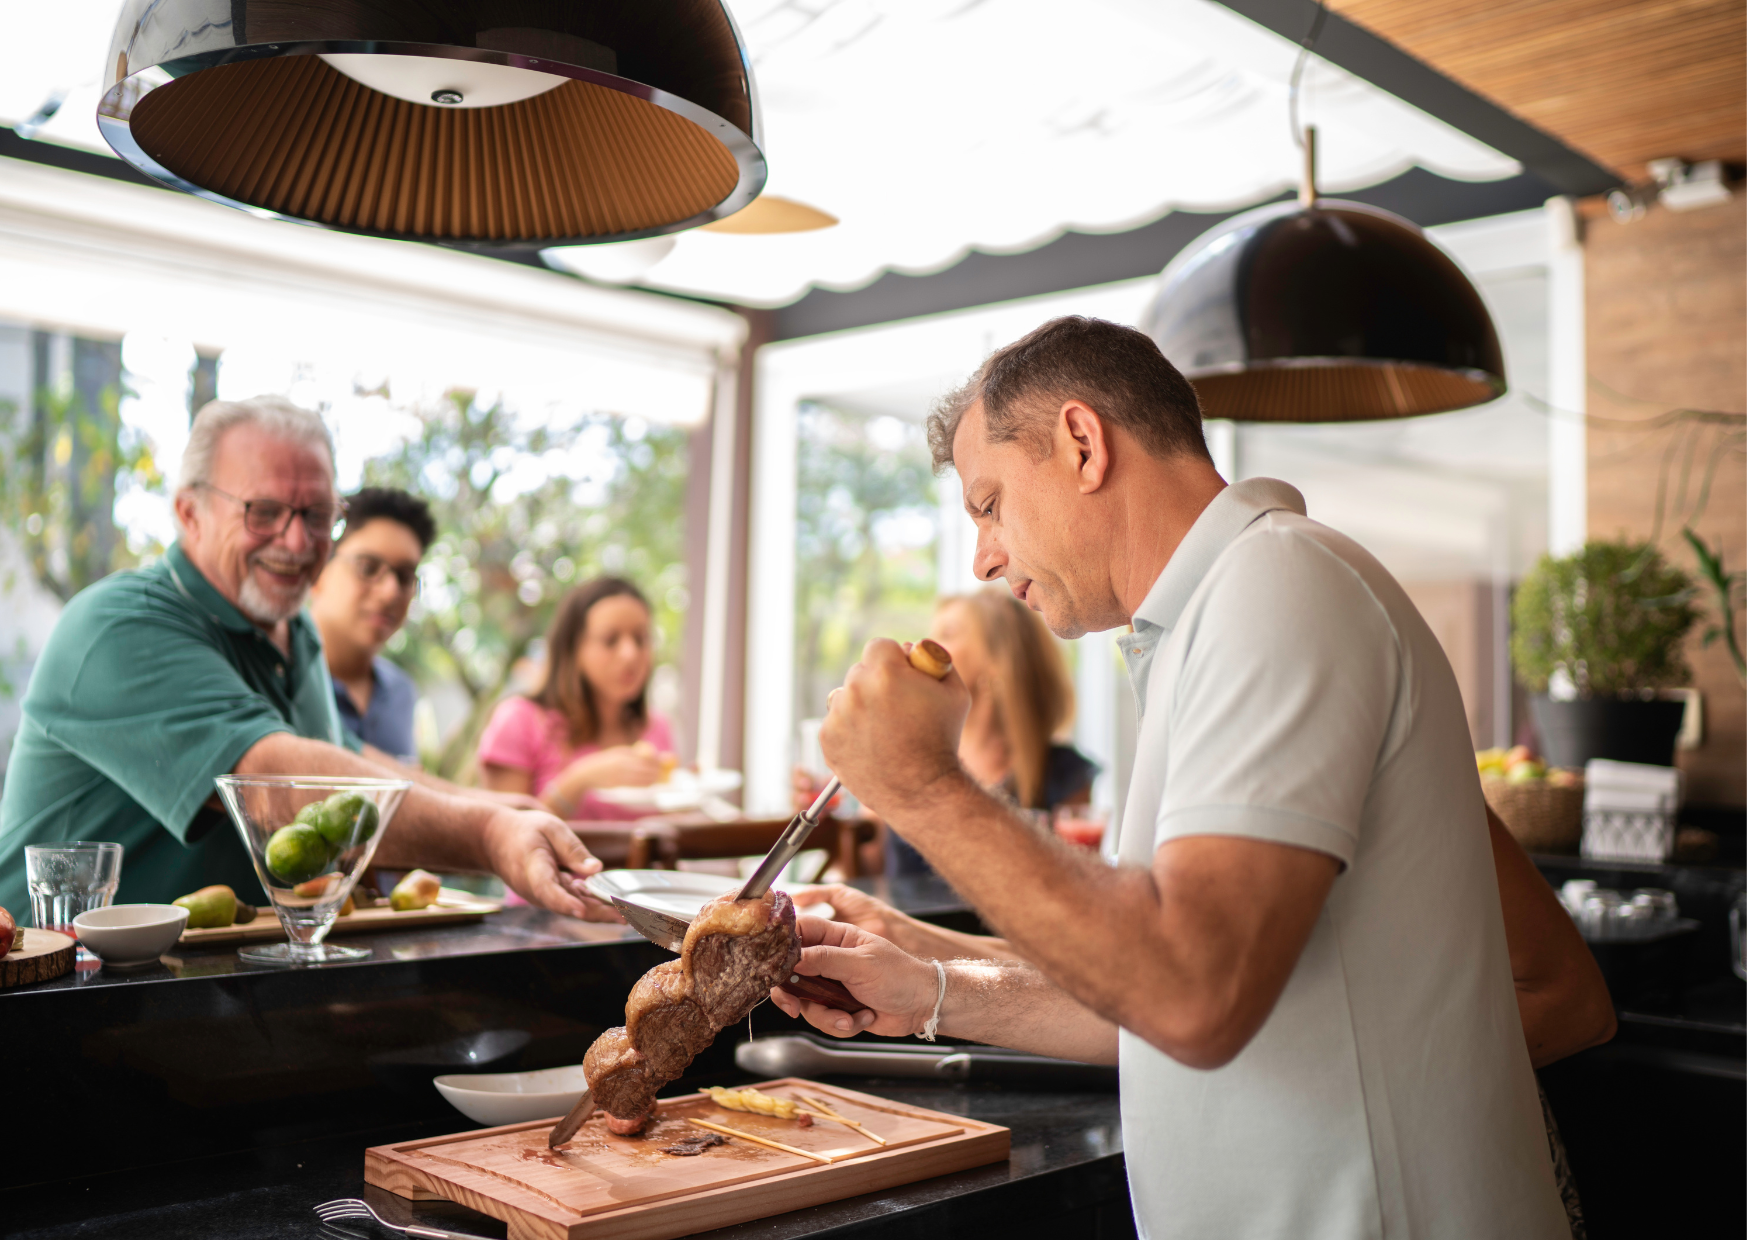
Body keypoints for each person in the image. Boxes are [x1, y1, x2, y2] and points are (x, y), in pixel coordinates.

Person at [770, 317, 1574, 1238]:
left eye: (989, 504)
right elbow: (1158, 988)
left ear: (1082, 443)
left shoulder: (1277, 587)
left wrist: (919, 784)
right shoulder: (1210, 621)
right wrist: (932, 982)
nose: (984, 557)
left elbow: (1191, 995)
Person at [0, 396, 611, 920]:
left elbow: (342, 757)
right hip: (64, 992)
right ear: (190, 512)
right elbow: (277, 784)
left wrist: (494, 807)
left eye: (318, 516)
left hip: (219, 989)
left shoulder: (293, 628)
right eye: (263, 512)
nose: (296, 543)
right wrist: (487, 833)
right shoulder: (119, 624)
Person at [809, 588, 1097, 878]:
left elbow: (1073, 889)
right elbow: (866, 868)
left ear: (997, 661)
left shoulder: (1064, 774)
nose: (921, 646)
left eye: (947, 634)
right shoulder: (903, 757)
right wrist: (825, 823)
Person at [478, 577, 676, 819]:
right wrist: (582, 778)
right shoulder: (519, 719)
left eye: (640, 638)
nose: (630, 654)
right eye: (610, 640)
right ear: (573, 648)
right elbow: (502, 834)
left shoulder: (656, 728)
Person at [308, 486, 434, 762]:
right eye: (367, 568)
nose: (390, 592)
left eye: (404, 577)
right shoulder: (278, 676)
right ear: (317, 569)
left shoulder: (401, 692)